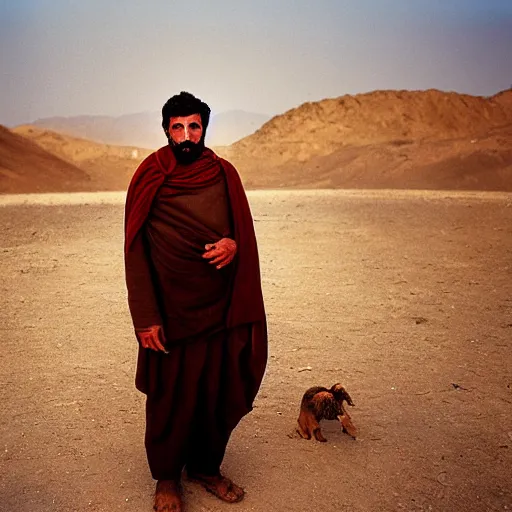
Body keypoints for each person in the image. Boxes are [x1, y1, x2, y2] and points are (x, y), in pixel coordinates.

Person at [124, 91, 267, 511]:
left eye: (194, 126)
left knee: (215, 392)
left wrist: (232, 245)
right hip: (171, 314)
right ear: (166, 129)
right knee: (169, 397)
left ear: (204, 128)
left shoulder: (224, 174)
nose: (186, 135)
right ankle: (167, 477)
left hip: (220, 308)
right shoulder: (150, 175)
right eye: (177, 127)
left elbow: (242, 232)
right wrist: (146, 316)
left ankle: (205, 466)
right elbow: (135, 249)